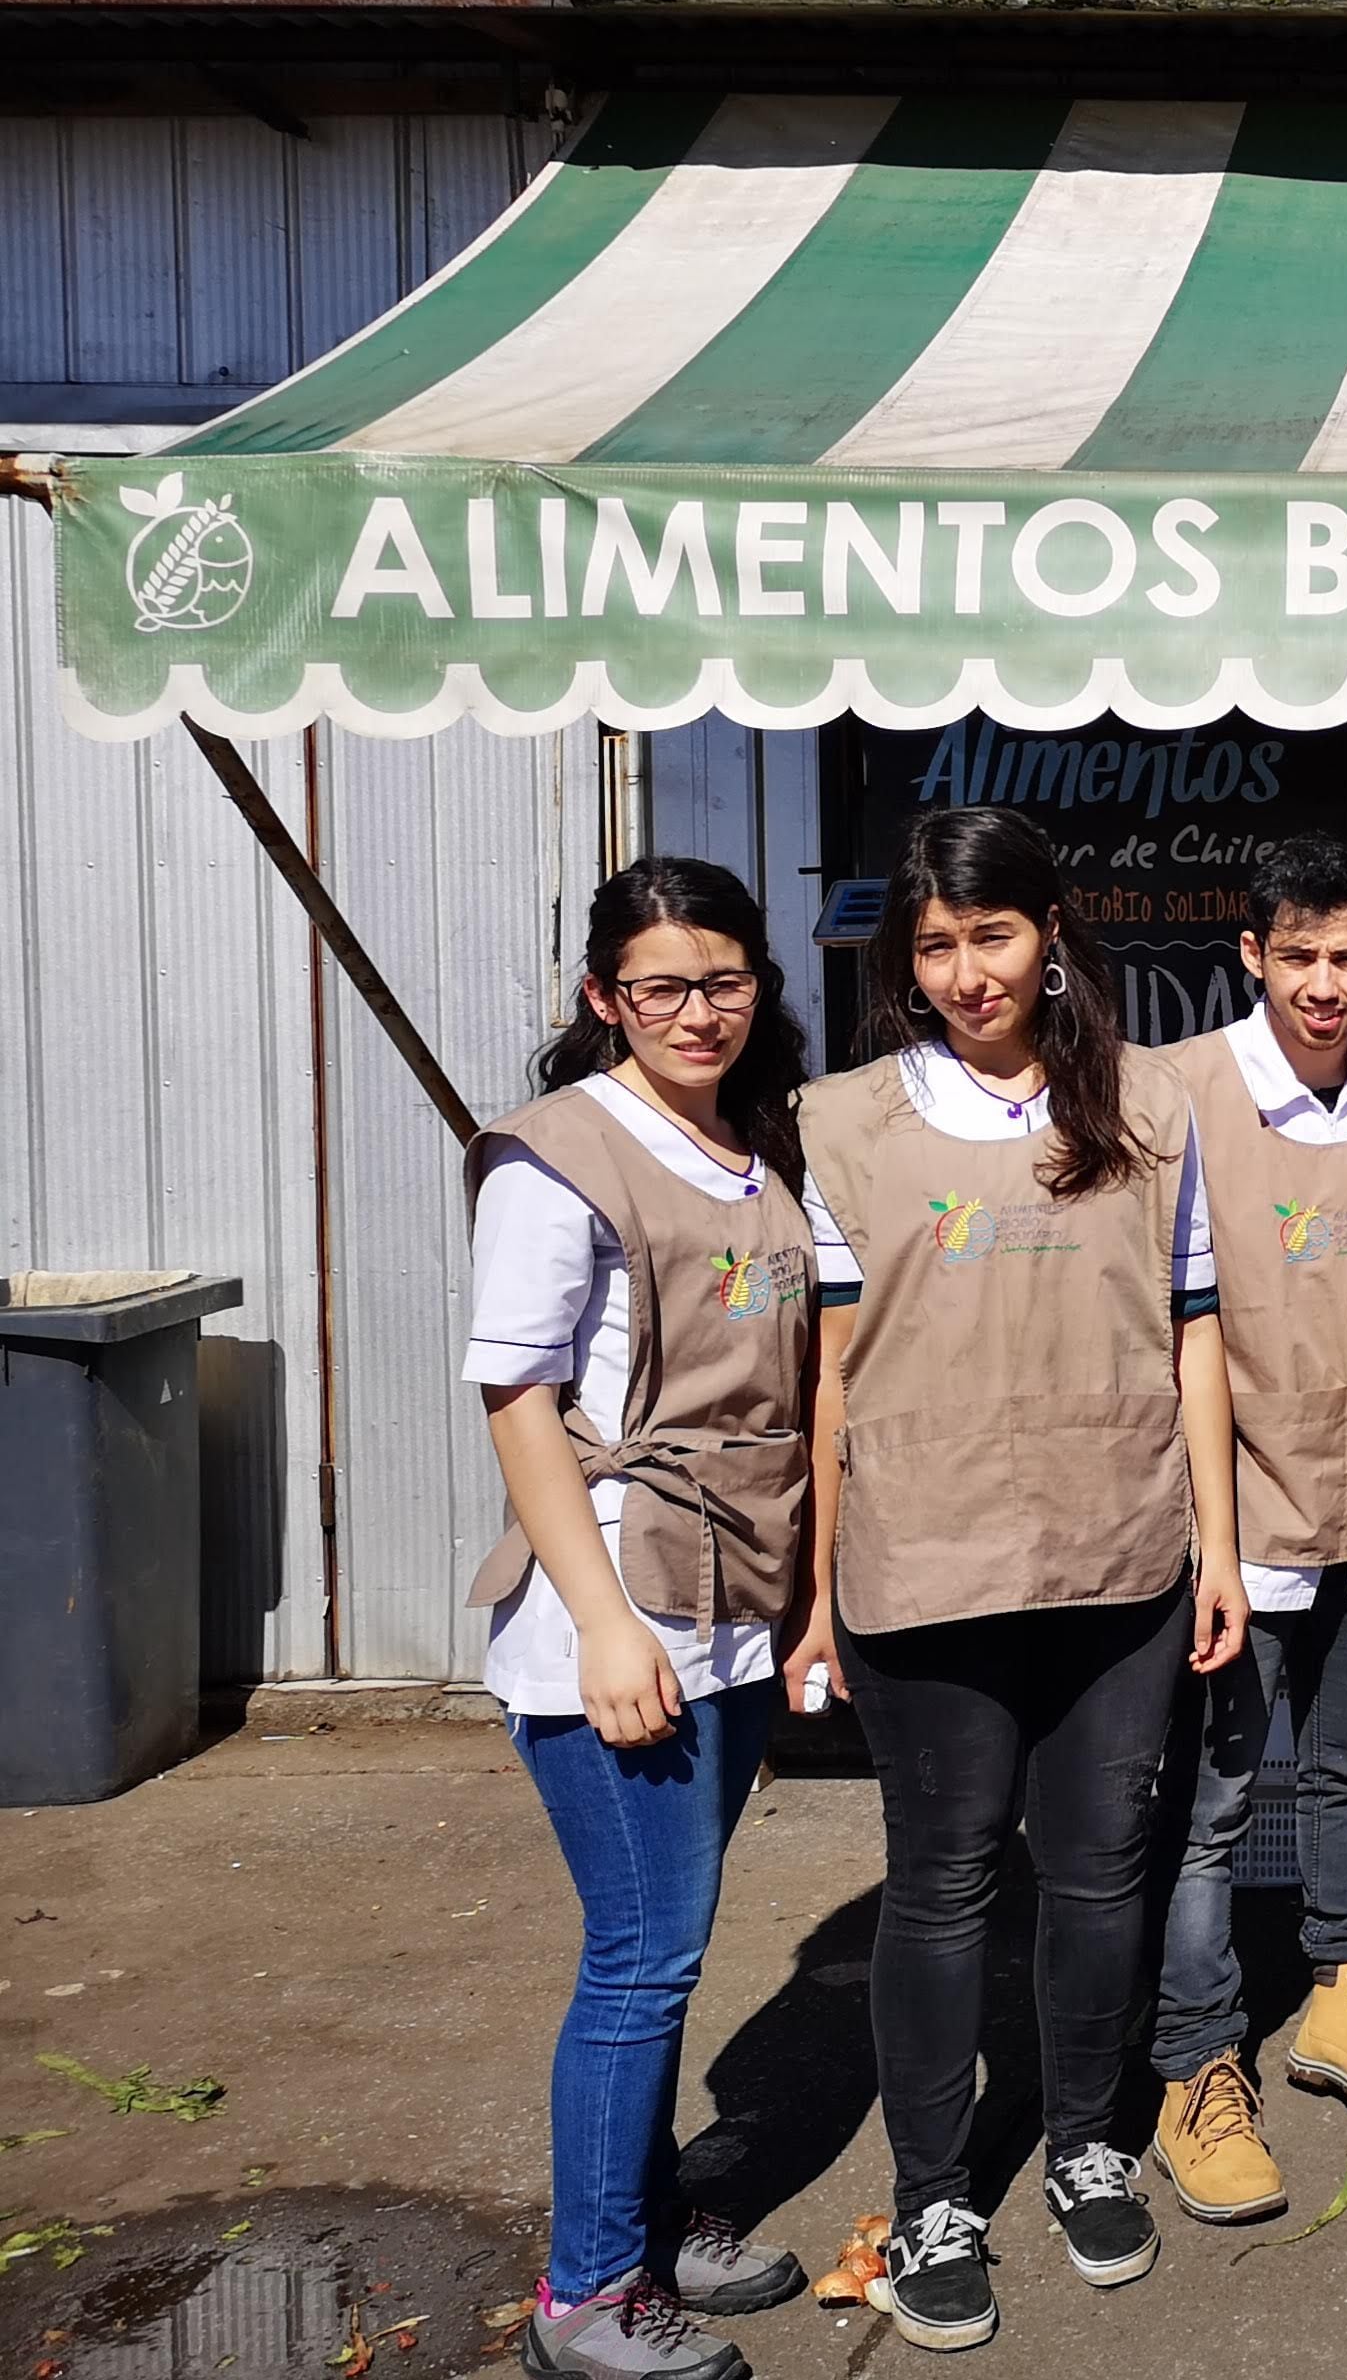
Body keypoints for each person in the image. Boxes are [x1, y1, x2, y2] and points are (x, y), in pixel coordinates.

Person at [784, 807, 1245, 2352]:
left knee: (1103, 1871)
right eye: (935, 946)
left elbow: (1194, 1336)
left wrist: (1219, 1548)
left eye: (991, 934)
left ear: (1052, 934)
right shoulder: (841, 1122)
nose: (967, 972)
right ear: (903, 965)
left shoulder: (1150, 1107)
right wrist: (816, 1589)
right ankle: (932, 2194)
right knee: (945, 1880)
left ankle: (1091, 2141)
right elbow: (829, 1377)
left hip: (1121, 1554)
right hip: (928, 1564)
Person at [467, 859, 817, 2380]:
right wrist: (607, 1628)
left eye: (723, 980)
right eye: (661, 985)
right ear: (605, 996)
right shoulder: (557, 1158)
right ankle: (587, 2292)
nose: (697, 1011)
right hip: (622, 1609)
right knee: (641, 1953)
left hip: (733, 1594)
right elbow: (522, 1404)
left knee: (670, 1946)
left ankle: (649, 2214)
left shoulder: (749, 1143)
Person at [1147, 834, 1347, 2232]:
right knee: (1208, 1812)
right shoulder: (1180, 1095)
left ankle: (1346, 1992)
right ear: (1252, 956)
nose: (1325, 986)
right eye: (1298, 957)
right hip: (1235, 1520)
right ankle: (1197, 2067)